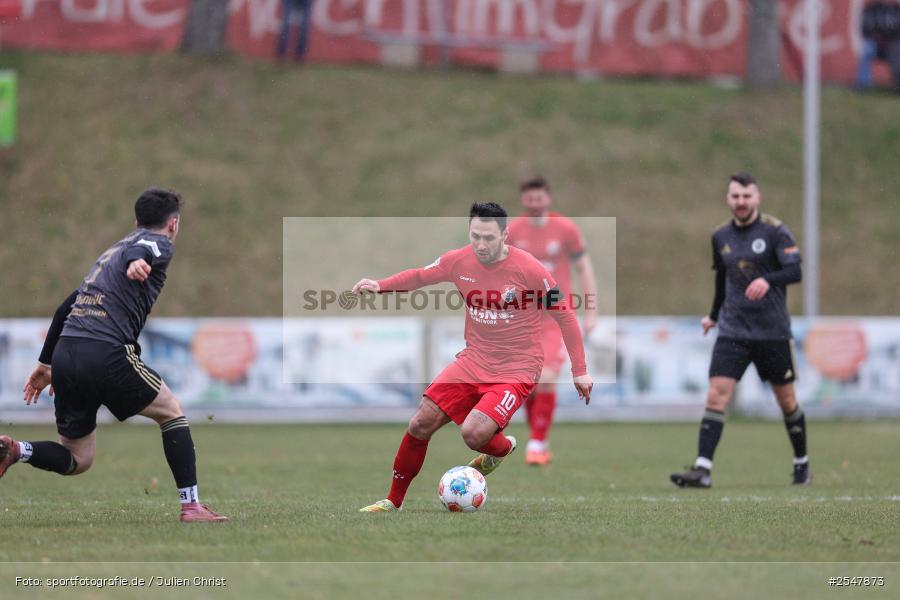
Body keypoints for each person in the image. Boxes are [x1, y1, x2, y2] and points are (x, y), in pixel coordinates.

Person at [2, 188, 227, 522]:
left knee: (77, 458)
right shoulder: (156, 243)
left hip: (67, 352)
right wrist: (140, 260)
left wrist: (46, 362)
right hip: (105, 351)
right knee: (172, 413)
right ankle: (191, 506)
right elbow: (148, 247)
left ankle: (18, 450)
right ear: (174, 224)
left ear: (135, 220)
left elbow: (66, 308)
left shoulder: (109, 254)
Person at [354, 202, 593, 512]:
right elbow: (419, 276)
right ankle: (393, 501)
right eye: (475, 236)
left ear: (505, 235)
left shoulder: (530, 269)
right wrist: (380, 285)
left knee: (473, 433)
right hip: (473, 360)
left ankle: (502, 448)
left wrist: (580, 370)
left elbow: (565, 316)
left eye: (489, 238)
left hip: (518, 366)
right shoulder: (458, 261)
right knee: (420, 423)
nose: (481, 244)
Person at [670, 173, 809, 488]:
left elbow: (795, 270)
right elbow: (722, 279)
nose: (741, 202)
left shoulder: (776, 232)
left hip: (772, 332)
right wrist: (713, 315)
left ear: (757, 198)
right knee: (716, 395)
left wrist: (768, 279)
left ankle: (802, 463)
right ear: (728, 199)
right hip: (733, 331)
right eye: (735, 196)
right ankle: (702, 470)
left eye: (747, 196)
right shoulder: (720, 236)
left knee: (786, 400)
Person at [506, 176, 598, 466]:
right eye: (529, 199)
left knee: (546, 376)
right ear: (523, 200)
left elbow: (584, 268)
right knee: (528, 381)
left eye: (539, 198)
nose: (534, 204)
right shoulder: (512, 231)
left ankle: (537, 442)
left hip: (555, 315)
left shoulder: (566, 229)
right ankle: (537, 436)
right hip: (521, 316)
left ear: (548, 198)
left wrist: (591, 311)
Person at [856, 0, 900, 91]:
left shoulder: (896, 9)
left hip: (892, 44)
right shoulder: (871, 9)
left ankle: (897, 84)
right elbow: (865, 27)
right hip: (875, 43)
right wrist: (877, 36)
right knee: (868, 49)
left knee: (897, 50)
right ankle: (862, 85)